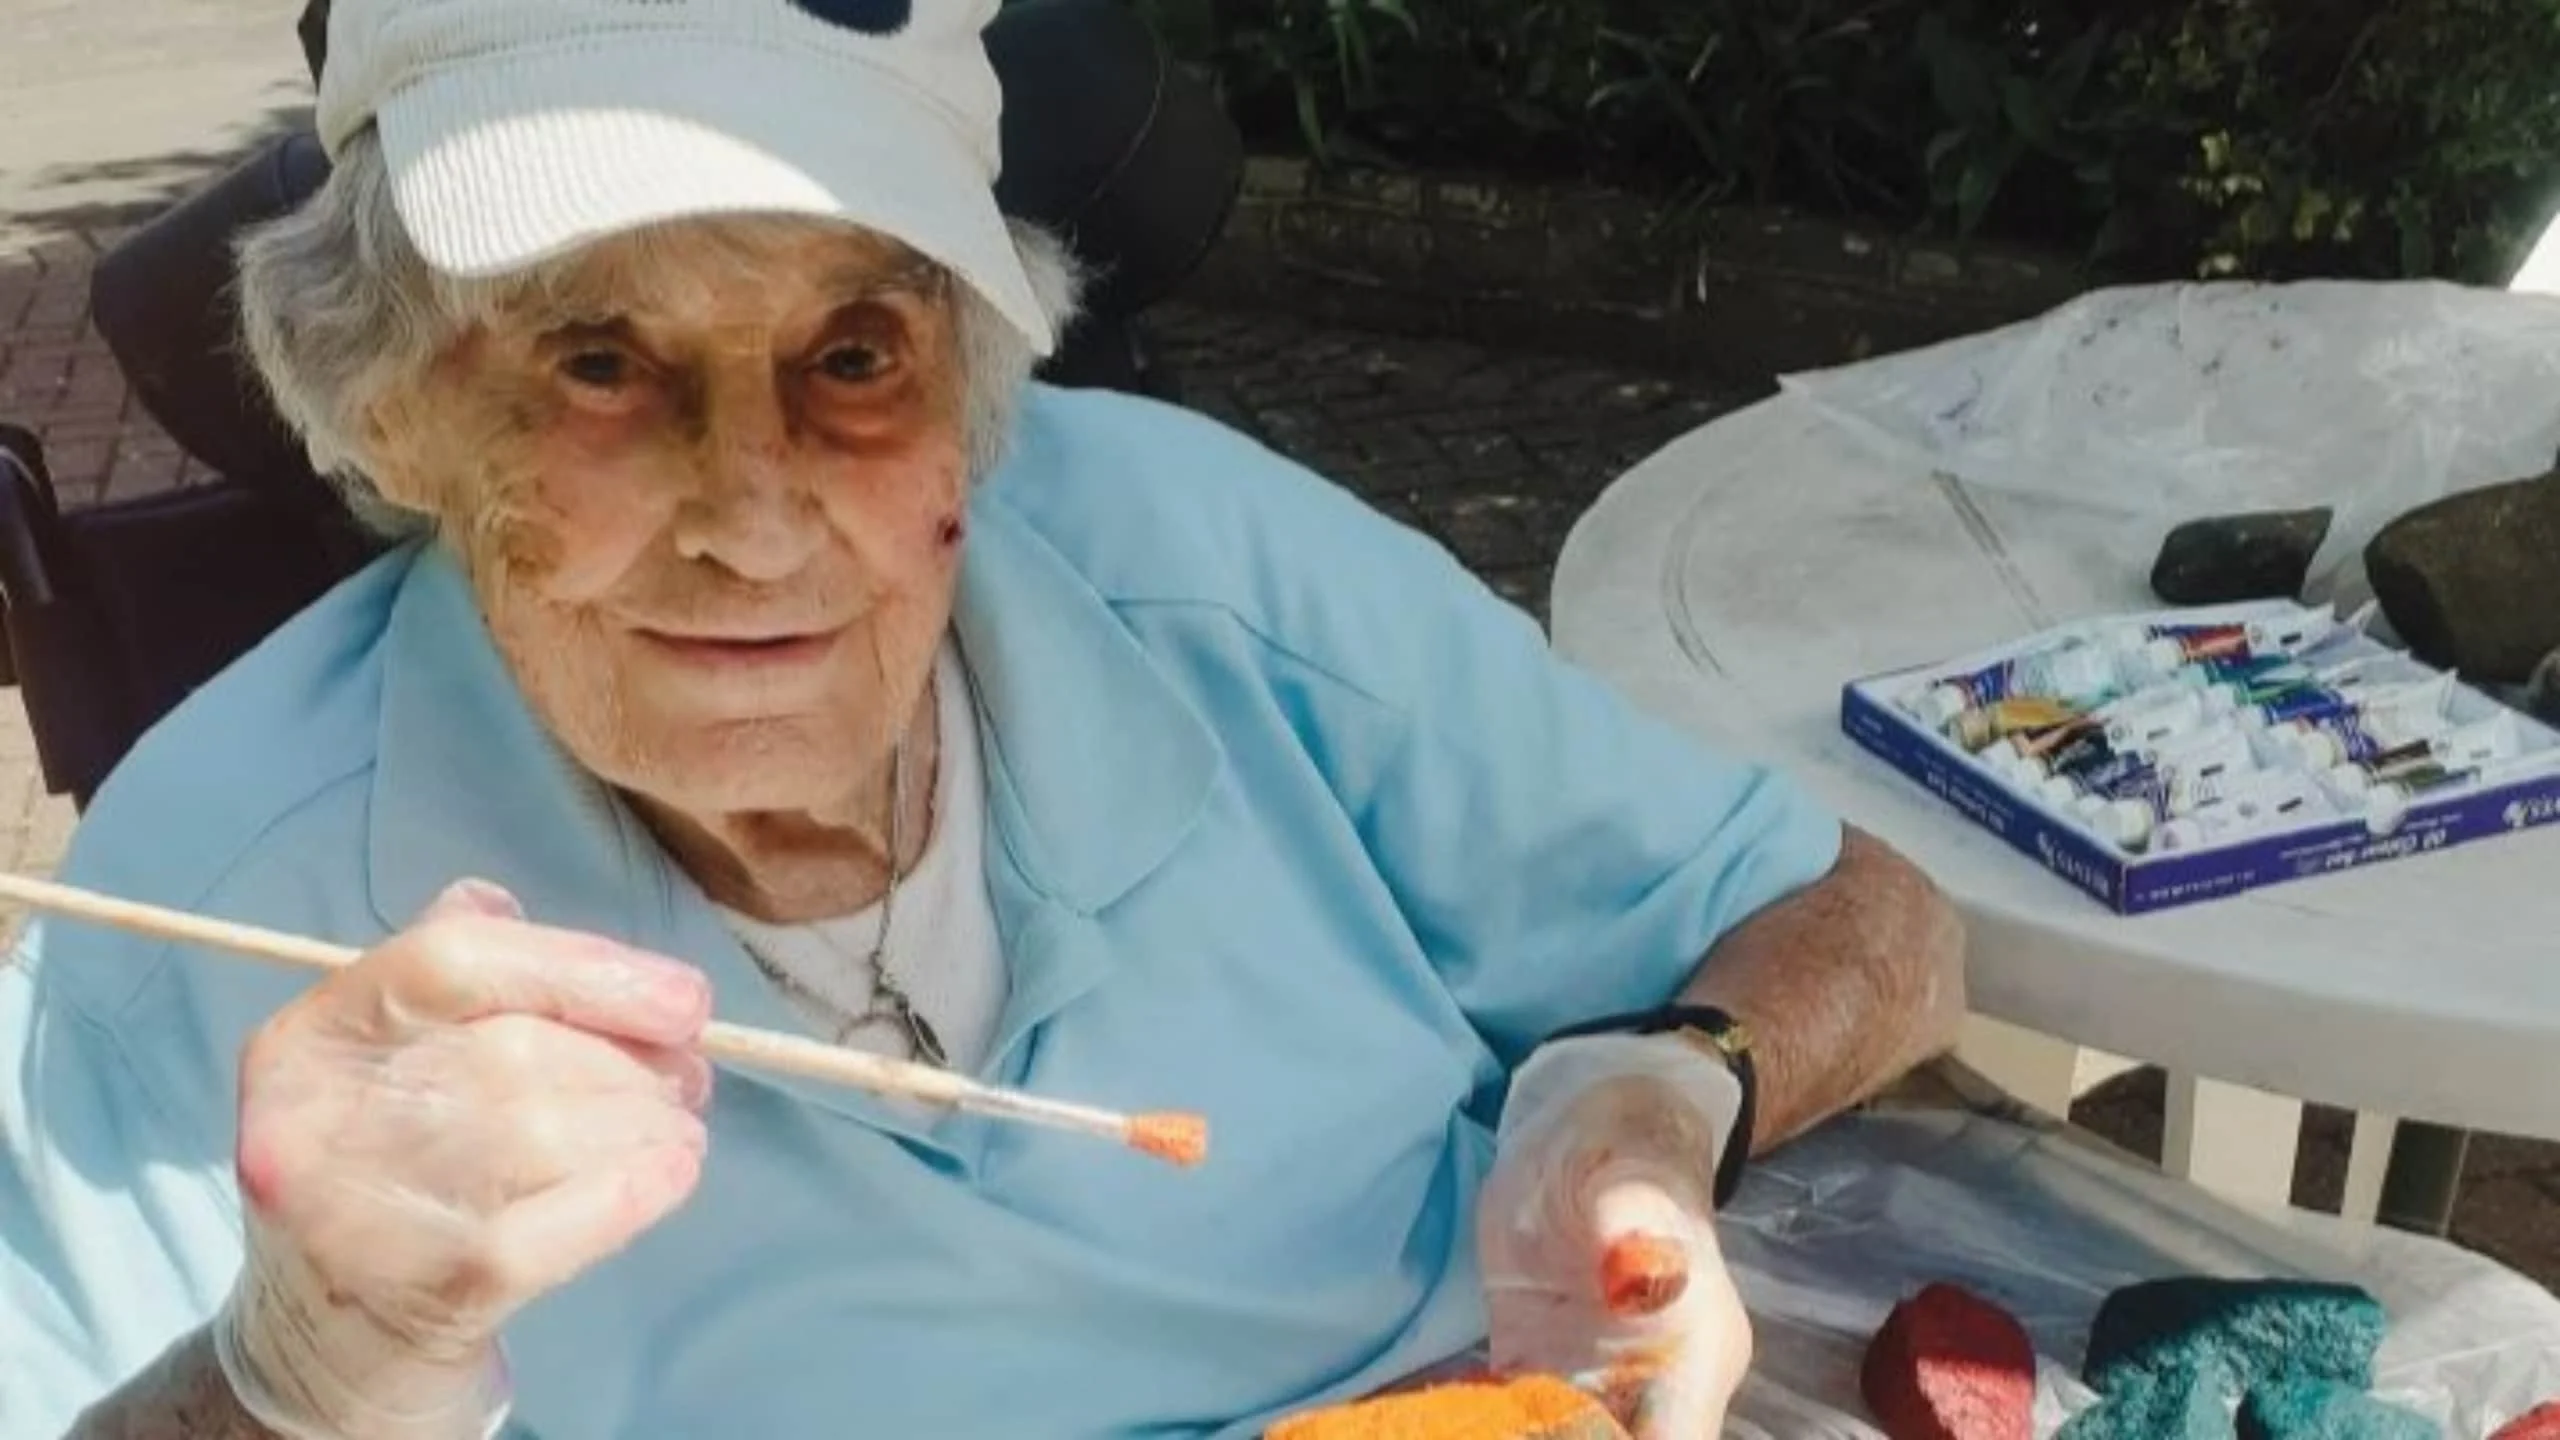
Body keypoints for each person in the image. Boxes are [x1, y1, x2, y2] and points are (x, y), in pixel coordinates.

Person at [0, 0, 1966, 1435]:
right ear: (390, 413)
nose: (754, 516)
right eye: (597, 360)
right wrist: (292, 1379)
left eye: (853, 355)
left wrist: (1666, 1088)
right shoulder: (215, 896)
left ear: (975, 386)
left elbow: (1871, 922)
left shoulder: (1195, 556)